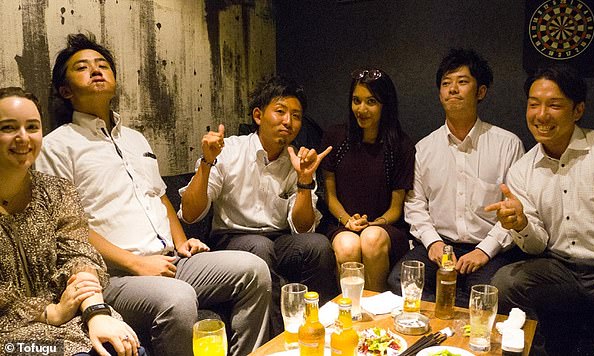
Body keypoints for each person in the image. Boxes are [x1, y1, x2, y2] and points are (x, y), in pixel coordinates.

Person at [36, 33, 271, 356]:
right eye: (83, 67)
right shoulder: (56, 146)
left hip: (170, 259)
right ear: (65, 91)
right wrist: (135, 263)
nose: (96, 70)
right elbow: (68, 229)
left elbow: (159, 197)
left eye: (103, 65)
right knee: (177, 298)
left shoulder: (136, 139)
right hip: (113, 275)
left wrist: (180, 241)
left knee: (253, 269)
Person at [486, 64, 594, 355]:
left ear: (577, 110)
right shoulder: (522, 170)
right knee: (503, 284)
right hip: (559, 268)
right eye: (533, 104)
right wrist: (519, 225)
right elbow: (537, 243)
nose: (541, 115)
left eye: (554, 105)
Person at [179, 75, 339, 334]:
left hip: (279, 240)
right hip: (232, 239)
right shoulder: (229, 150)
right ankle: (283, 339)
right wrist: (207, 163)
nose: (289, 122)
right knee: (260, 247)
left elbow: (303, 228)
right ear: (258, 115)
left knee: (318, 245)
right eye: (280, 112)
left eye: (296, 116)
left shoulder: (296, 160)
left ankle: (324, 329)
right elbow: (189, 214)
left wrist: (305, 181)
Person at [0, 87, 143, 356]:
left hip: (71, 315)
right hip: (7, 337)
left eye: (32, 127)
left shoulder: (58, 191)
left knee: (121, 347)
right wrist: (47, 312)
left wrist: (96, 312)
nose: (23, 138)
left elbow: (79, 255)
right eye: (8, 128)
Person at [386, 49, 525, 306]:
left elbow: (515, 209)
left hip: (487, 250)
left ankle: (456, 327)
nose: (453, 89)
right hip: (440, 246)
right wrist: (433, 243)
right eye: (446, 83)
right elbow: (415, 205)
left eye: (462, 82)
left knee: (486, 294)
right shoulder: (425, 147)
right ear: (439, 93)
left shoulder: (507, 145)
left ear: (480, 92)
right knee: (399, 282)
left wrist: (485, 250)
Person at [320, 69, 415, 292]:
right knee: (347, 245)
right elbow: (329, 196)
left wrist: (374, 223)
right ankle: (349, 314)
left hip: (385, 226)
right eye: (356, 101)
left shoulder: (400, 145)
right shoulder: (335, 138)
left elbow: (396, 208)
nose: (361, 109)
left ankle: (376, 312)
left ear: (385, 105)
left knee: (371, 239)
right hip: (340, 222)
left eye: (371, 102)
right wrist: (347, 221)